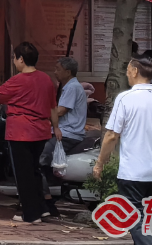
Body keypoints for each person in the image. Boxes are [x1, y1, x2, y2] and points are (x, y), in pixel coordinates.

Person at [94, 50, 152, 245]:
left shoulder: (125, 98)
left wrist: (100, 163)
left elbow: (112, 135)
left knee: (135, 219)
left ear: (134, 71)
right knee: (149, 218)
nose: (126, 73)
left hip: (132, 172)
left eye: (127, 69)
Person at [0, 42, 60, 225]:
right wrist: (56, 127)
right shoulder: (46, 79)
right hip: (41, 131)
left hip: (20, 132)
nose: (14, 61)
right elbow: (52, 107)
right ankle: (42, 208)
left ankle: (31, 214)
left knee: (24, 174)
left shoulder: (16, 80)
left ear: (21, 59)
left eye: (14, 58)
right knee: (35, 170)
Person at [39, 56, 88, 217]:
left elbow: (60, 111)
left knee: (39, 161)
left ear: (68, 72)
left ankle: (47, 200)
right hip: (66, 131)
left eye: (58, 69)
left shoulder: (72, 87)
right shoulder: (68, 86)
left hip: (68, 133)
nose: (55, 72)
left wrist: (40, 113)